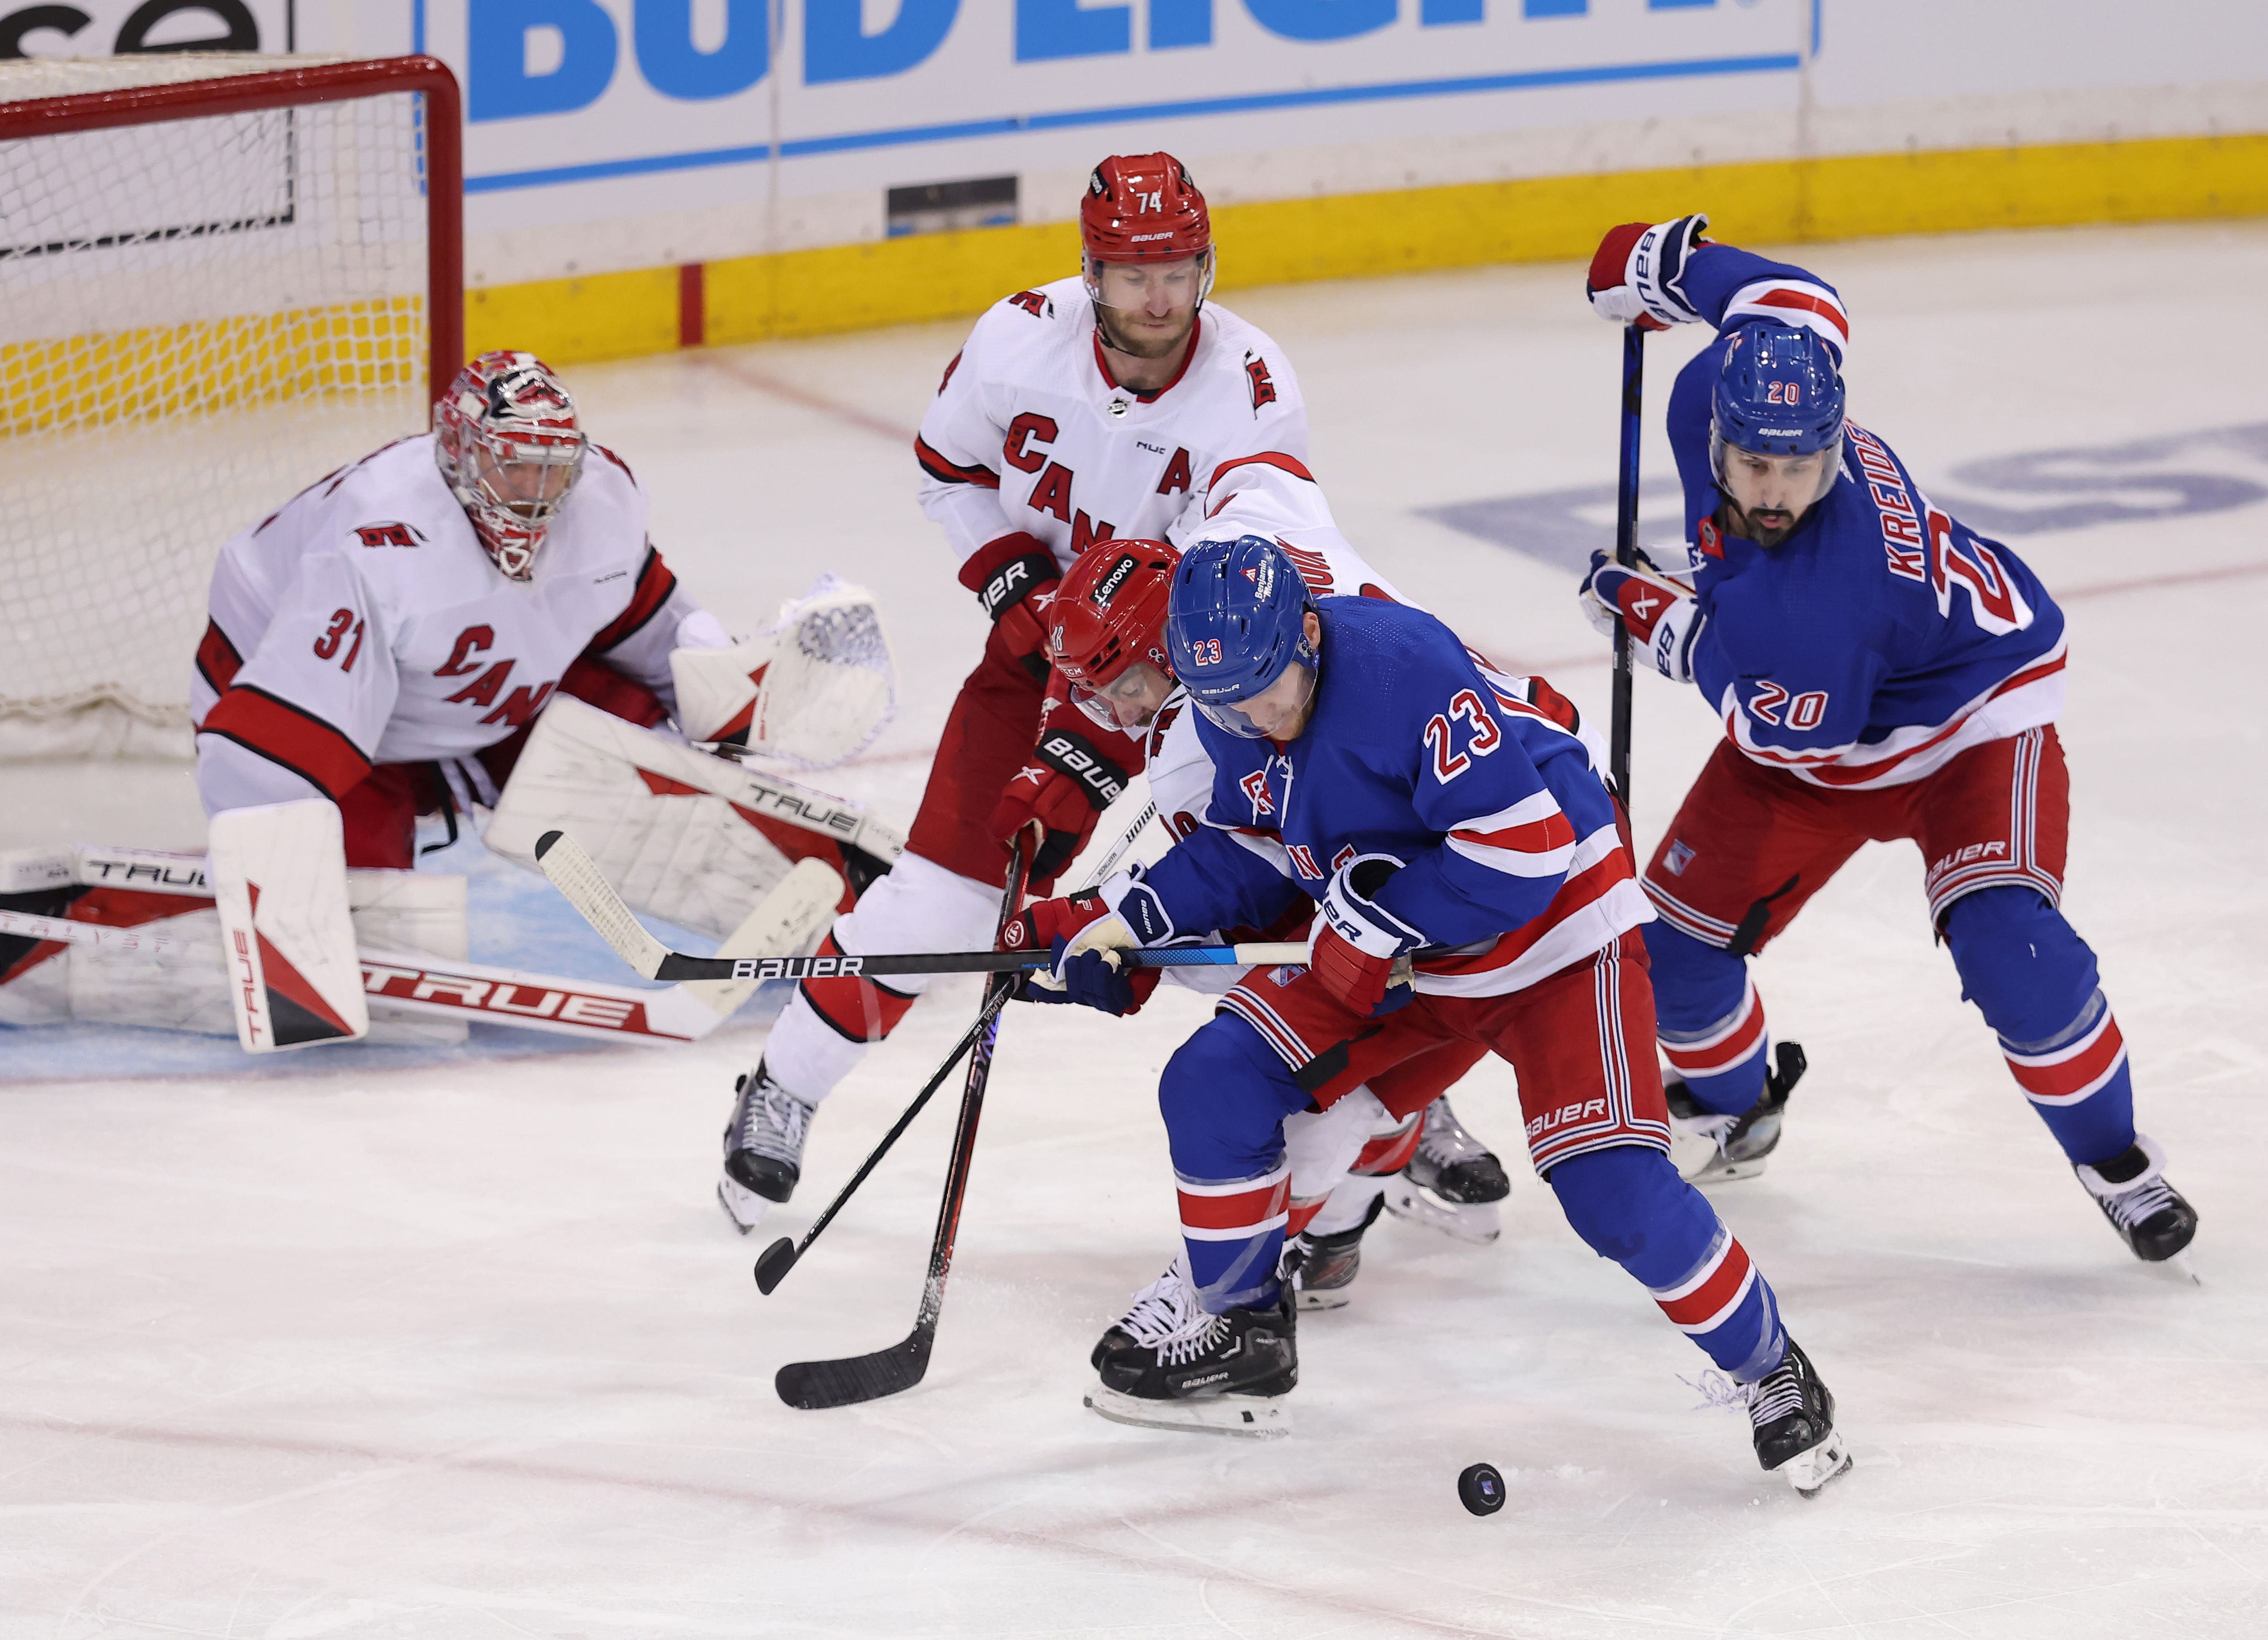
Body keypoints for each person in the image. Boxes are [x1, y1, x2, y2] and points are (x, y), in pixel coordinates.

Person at [1013, 537, 1850, 1492]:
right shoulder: (1232, 695)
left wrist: (1375, 917)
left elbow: (1524, 853)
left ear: (1306, 634)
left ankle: (1769, 1368)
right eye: (1223, 703)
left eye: (1261, 691)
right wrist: (1127, 923)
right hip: (1412, 954)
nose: (1249, 718)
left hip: (1554, 935)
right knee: (1214, 1083)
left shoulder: (1397, 669)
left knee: (1609, 1189)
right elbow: (1252, 845)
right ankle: (1242, 1332)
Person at [719, 153, 1325, 1231]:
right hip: (1044, 652)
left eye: (1180, 269)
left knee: (1264, 915)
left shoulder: (1251, 384)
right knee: (939, 903)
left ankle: (1387, 1118)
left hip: (1198, 692)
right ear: (1090, 272)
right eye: (1135, 272)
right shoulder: (1015, 339)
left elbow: (1257, 554)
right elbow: (946, 469)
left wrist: (1117, 719)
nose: (1160, 297)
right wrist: (1020, 588)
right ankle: (785, 1086)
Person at [1578, 216, 2197, 1264]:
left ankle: (2116, 1160)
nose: (1773, 493)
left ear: (1833, 448)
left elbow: (1775, 729)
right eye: (1754, 464)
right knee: (1672, 958)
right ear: (1717, 427)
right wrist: (1673, 269)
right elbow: (1797, 298)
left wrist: (1666, 622)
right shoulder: (1715, 390)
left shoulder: (1828, 596)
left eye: (1800, 468)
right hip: (1820, 715)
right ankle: (1735, 1106)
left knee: (2013, 947)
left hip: (1968, 724)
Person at [1011, 538, 1510, 1310]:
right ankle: (1363, 1187)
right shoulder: (1247, 645)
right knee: (1303, 1056)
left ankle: (1247, 1292)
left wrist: (1118, 931)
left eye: (1125, 683)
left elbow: (1255, 894)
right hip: (1421, 883)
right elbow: (1252, 879)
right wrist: (1108, 927)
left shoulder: (1227, 714)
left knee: (1316, 1093)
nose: (1115, 712)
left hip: (1483, 895)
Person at [192, 350, 727, 860]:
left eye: (553, 468)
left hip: (471, 690)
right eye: (514, 466)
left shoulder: (603, 499)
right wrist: (266, 858)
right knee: (362, 891)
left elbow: (654, 633)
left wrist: (733, 721)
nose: (536, 492)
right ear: (459, 453)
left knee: (645, 770)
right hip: (304, 690)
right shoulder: (383, 541)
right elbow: (280, 737)